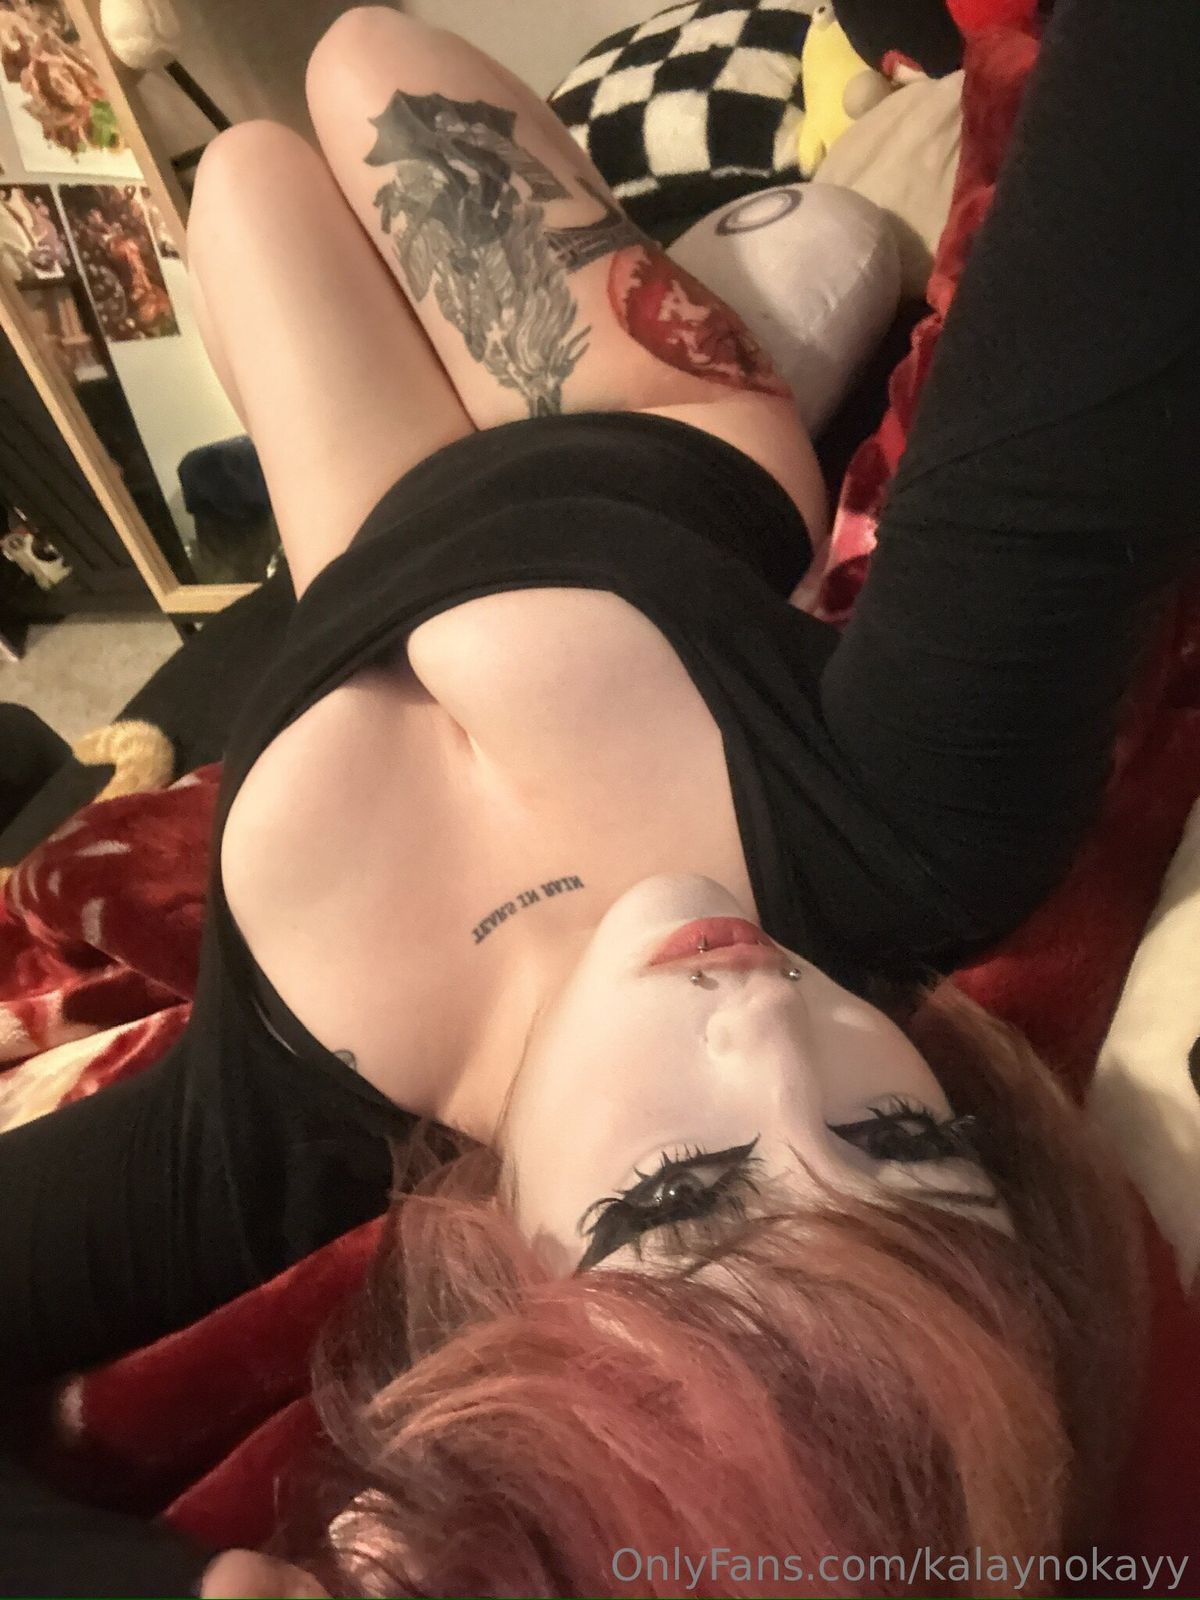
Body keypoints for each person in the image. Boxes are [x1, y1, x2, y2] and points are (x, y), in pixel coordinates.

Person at [1, 0, 1196, 1592]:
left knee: (240, 185)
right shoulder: (929, 819)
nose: (771, 1037)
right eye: (901, 1134)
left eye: (681, 1193)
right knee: (357, 56)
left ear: (506, 1295)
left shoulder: (264, 1134)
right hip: (626, 416)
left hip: (363, 535)